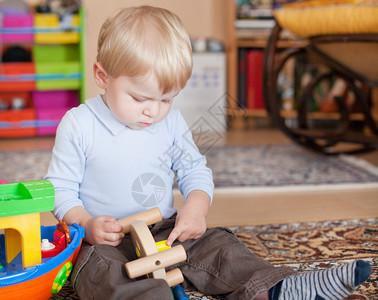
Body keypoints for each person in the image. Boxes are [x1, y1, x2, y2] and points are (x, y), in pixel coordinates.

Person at [45, 5, 371, 300]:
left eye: (167, 99)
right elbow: (59, 189)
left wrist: (196, 208)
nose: (153, 112)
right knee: (100, 273)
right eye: (140, 99)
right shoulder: (79, 124)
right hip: (101, 239)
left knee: (219, 247)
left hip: (162, 230)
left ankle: (276, 288)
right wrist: (86, 223)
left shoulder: (169, 121)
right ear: (103, 76)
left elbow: (194, 171)